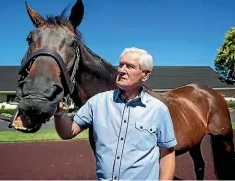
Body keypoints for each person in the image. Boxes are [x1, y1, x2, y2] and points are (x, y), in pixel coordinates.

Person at [54, 47, 177, 180]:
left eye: (129, 66)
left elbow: (167, 153)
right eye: (120, 64)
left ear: (145, 75)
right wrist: (60, 114)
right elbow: (68, 132)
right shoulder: (97, 102)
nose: (121, 70)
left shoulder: (158, 109)